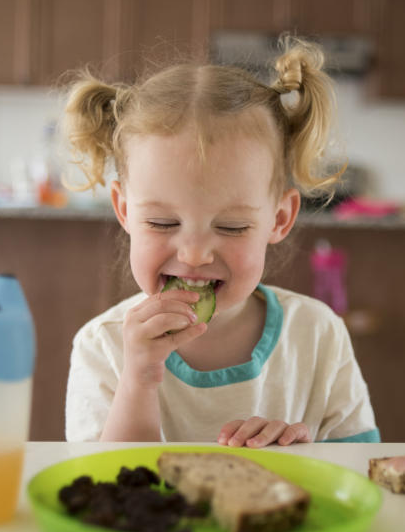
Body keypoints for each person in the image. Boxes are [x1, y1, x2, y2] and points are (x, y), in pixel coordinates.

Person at [62, 37, 380, 447]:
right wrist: (139, 377)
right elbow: (100, 489)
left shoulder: (318, 334)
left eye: (231, 227)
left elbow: (357, 475)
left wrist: (303, 458)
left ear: (279, 218)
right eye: (161, 222)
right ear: (124, 211)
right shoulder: (101, 344)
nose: (194, 254)